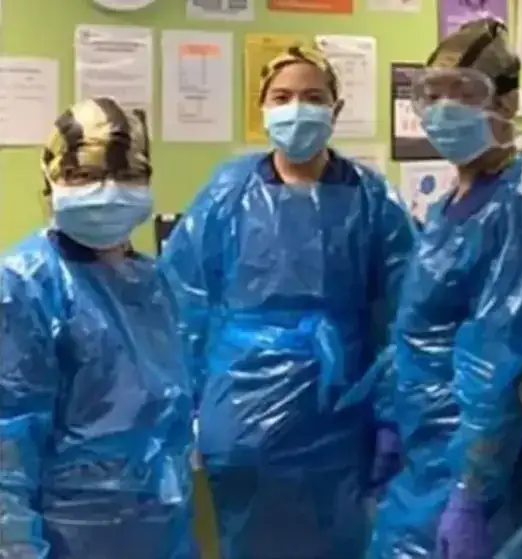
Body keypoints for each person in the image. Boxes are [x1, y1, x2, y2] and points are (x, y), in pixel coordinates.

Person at [159, 45, 414, 559]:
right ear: (262, 108)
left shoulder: (372, 198)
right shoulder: (228, 192)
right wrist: (184, 407)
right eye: (282, 97)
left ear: (336, 108)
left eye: (313, 97)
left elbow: (404, 313)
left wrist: (392, 415)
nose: (297, 109)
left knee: (336, 539)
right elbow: (182, 303)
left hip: (339, 411)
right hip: (240, 410)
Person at [366, 18, 522, 558]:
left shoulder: (521, 205)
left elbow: (502, 358)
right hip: (428, 454)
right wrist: (392, 417)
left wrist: (472, 491)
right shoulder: (450, 205)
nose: (443, 110)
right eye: (432, 94)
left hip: (484, 470)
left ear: (507, 103)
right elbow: (417, 325)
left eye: (463, 93)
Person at [0, 98, 197, 559]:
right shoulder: (26, 284)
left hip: (161, 526)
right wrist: (17, 547)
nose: (108, 191)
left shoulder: (152, 282)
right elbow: (8, 438)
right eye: (84, 175)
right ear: (51, 180)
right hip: (71, 535)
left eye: (128, 174)